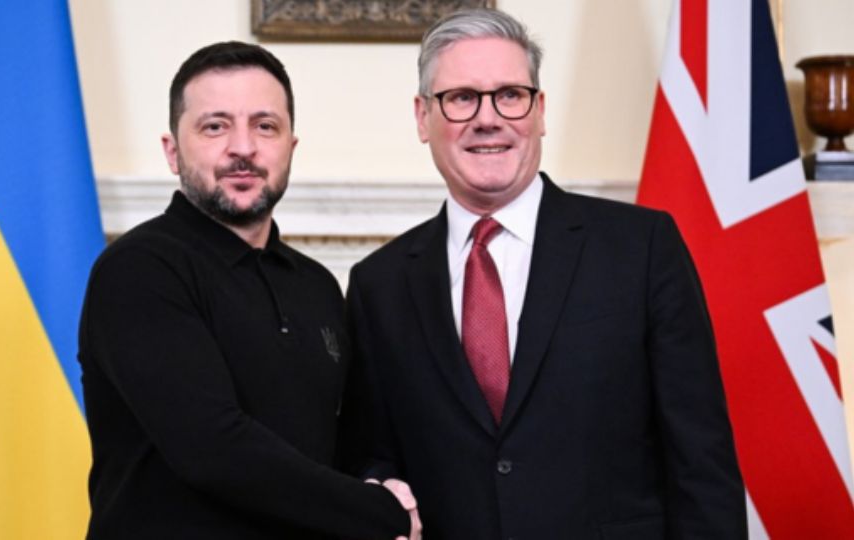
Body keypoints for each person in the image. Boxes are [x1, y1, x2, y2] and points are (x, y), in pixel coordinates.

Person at [339, 9, 747, 539]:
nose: (488, 118)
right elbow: (370, 457)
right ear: (422, 117)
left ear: (540, 110)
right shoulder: (380, 285)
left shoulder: (642, 248)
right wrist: (380, 489)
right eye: (461, 98)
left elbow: (702, 461)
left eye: (510, 94)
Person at [78, 41, 420, 539]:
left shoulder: (318, 287)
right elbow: (212, 449)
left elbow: (339, 447)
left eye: (265, 126)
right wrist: (378, 512)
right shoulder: (138, 269)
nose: (243, 147)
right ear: (172, 152)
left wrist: (379, 480)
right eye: (215, 126)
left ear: (290, 148)